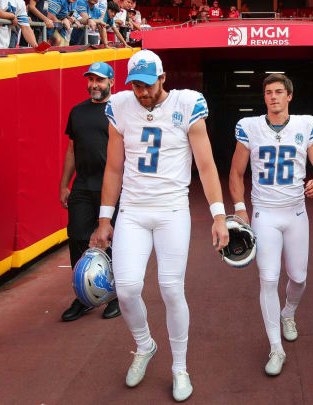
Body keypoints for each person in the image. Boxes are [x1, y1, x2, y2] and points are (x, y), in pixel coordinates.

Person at [90, 50, 228, 403]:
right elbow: (113, 169)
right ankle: (144, 345)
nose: (141, 92)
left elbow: (207, 165)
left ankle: (179, 366)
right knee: (127, 289)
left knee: (170, 289)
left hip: (171, 210)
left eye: (147, 84)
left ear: (163, 78)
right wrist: (106, 217)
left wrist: (218, 215)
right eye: (135, 84)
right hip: (133, 211)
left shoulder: (186, 104)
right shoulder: (120, 105)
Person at [229, 74, 313, 377]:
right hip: (265, 214)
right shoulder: (250, 127)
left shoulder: (305, 125)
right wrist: (239, 210)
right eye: (268, 93)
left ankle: (288, 313)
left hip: (296, 212)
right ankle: (276, 347)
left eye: (278, 92)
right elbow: (236, 173)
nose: (273, 97)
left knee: (298, 278)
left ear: (289, 96)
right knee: (268, 279)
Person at [60, 62, 121, 322]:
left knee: (115, 242)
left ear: (111, 82)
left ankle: (115, 294)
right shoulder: (77, 112)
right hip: (83, 186)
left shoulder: (119, 112)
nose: (94, 85)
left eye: (100, 80)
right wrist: (65, 184)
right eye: (91, 80)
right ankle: (84, 295)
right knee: (76, 237)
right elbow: (72, 150)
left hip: (113, 186)